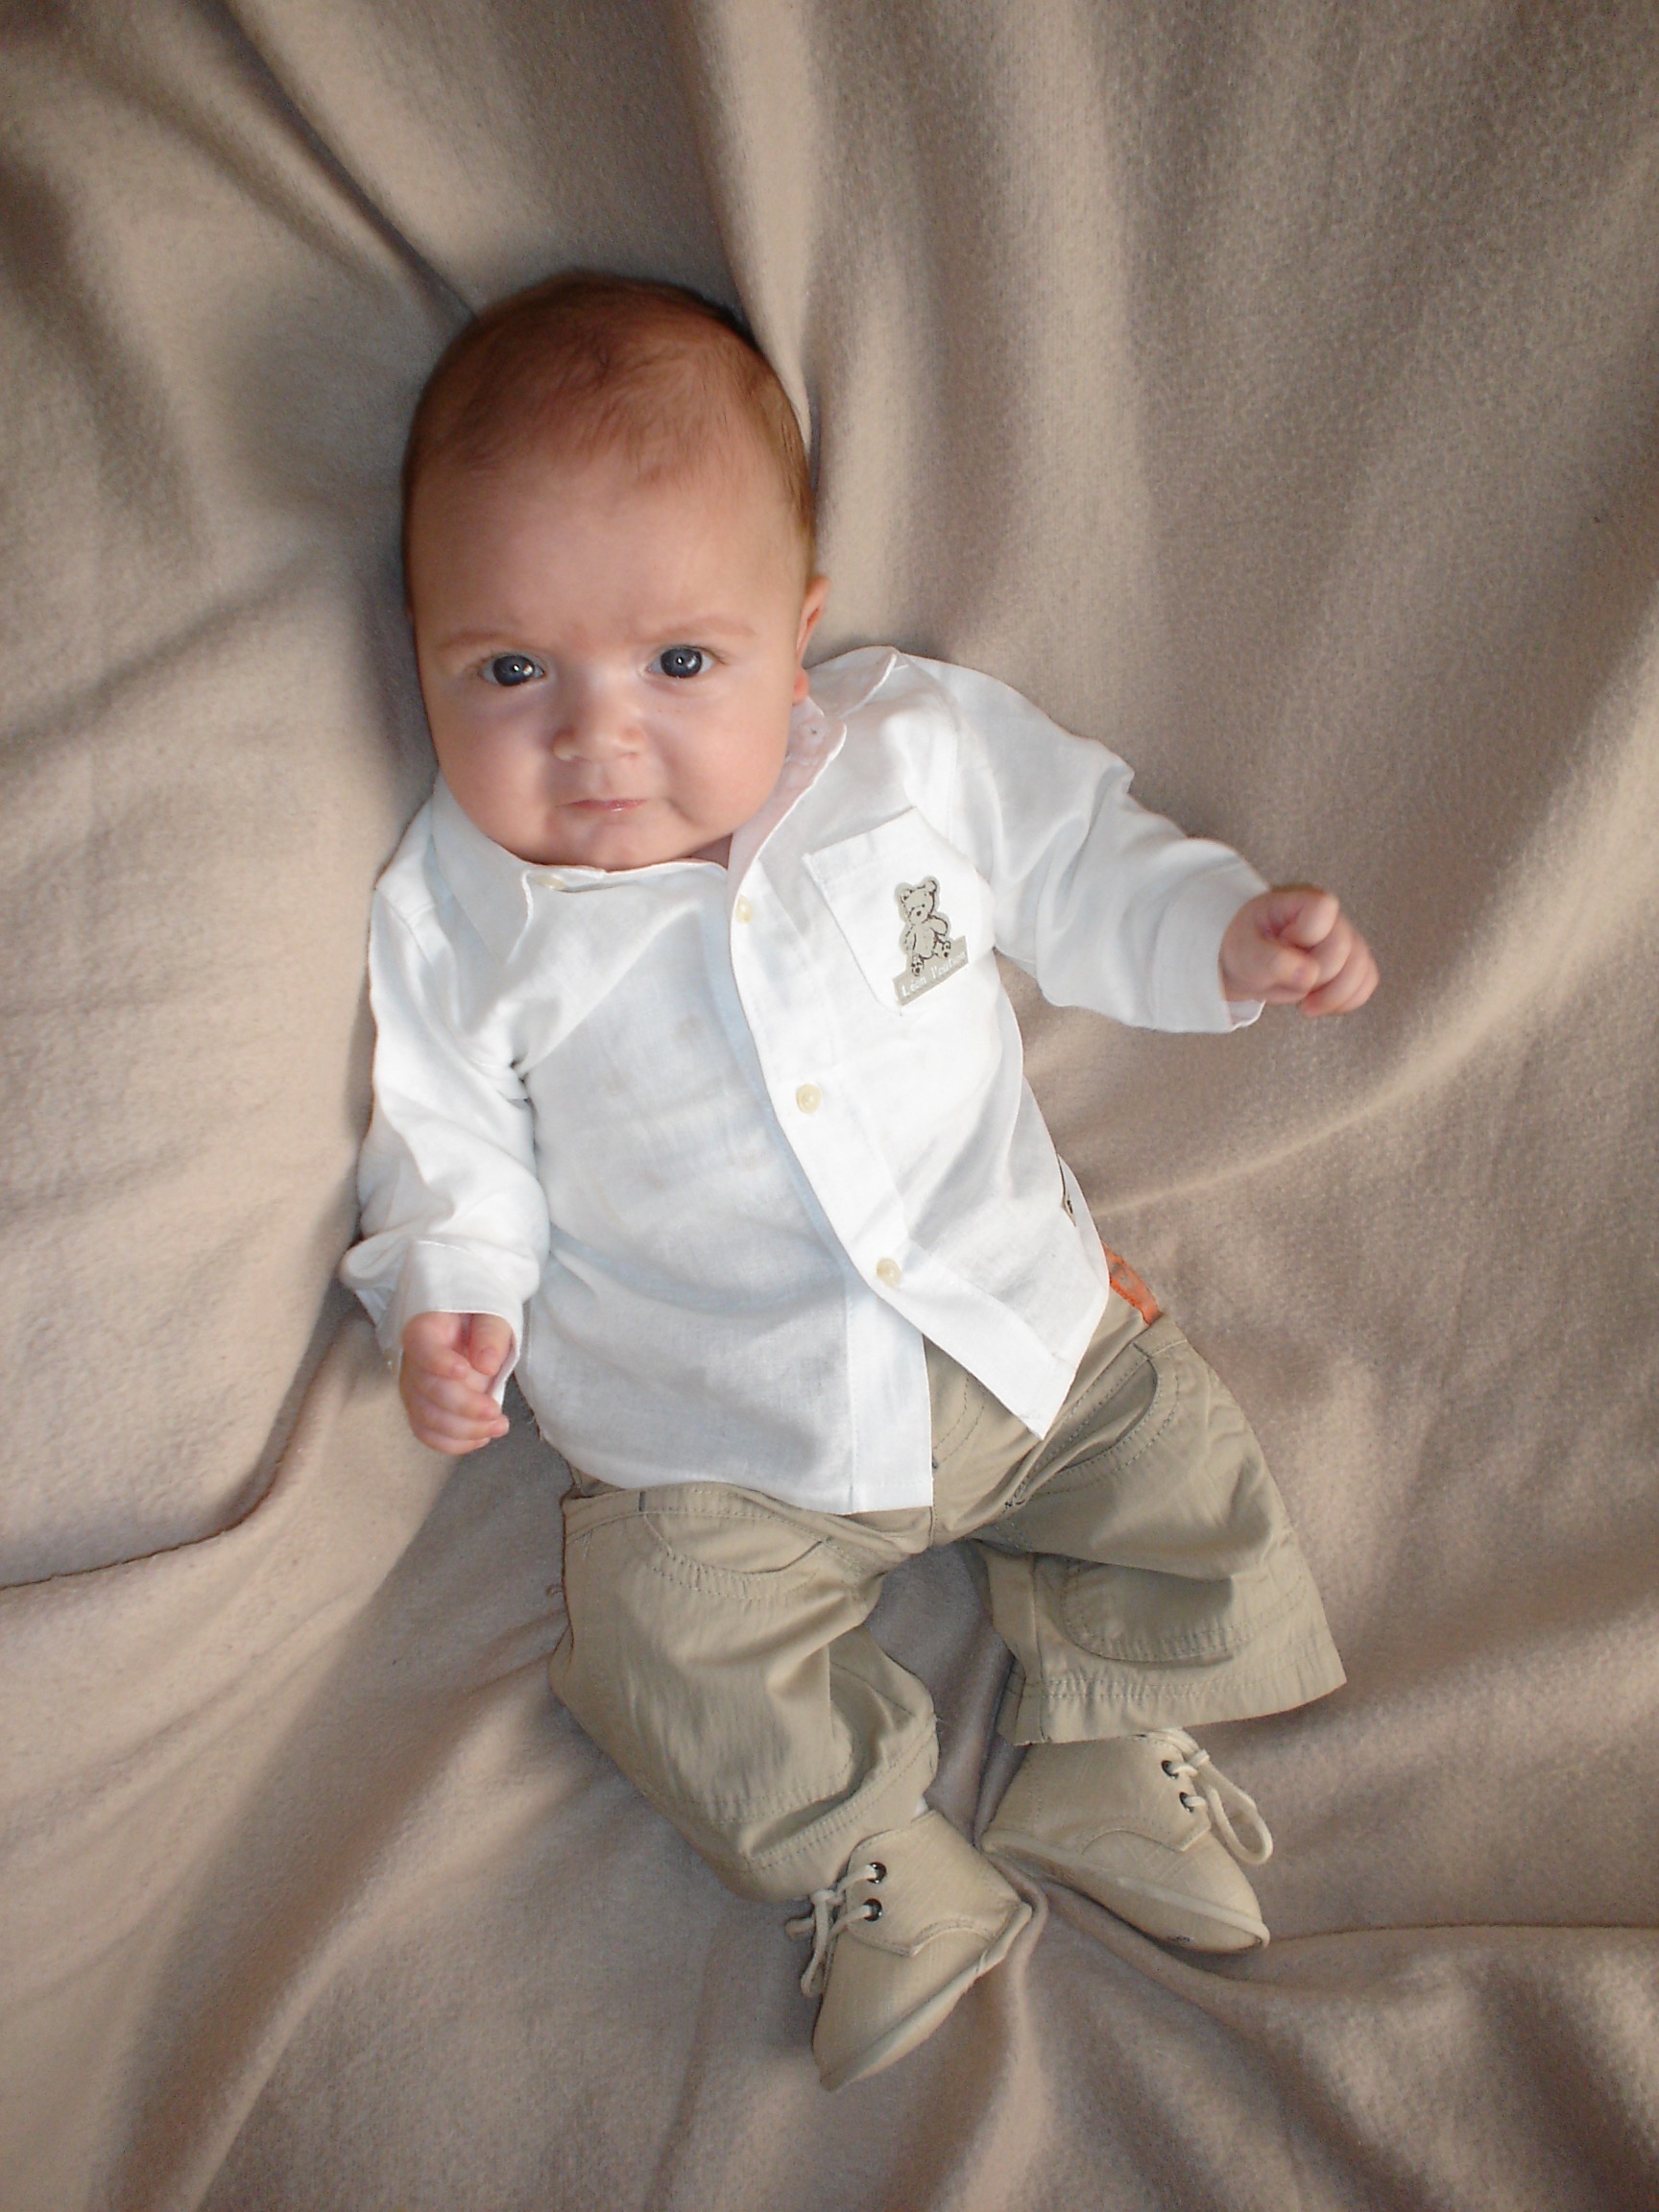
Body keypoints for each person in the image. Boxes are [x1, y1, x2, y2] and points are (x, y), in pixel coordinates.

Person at [342, 271, 1379, 2093]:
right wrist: (452, 1296)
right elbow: (445, 1136)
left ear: (796, 630)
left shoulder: (916, 753)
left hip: (1016, 1330)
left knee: (1177, 1463)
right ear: (419, 650)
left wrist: (1221, 934)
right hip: (715, 1441)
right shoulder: (459, 909)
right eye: (509, 671)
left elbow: (1081, 865)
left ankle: (1105, 1750)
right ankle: (873, 1857)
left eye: (681, 663)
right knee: (661, 1647)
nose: (598, 736)